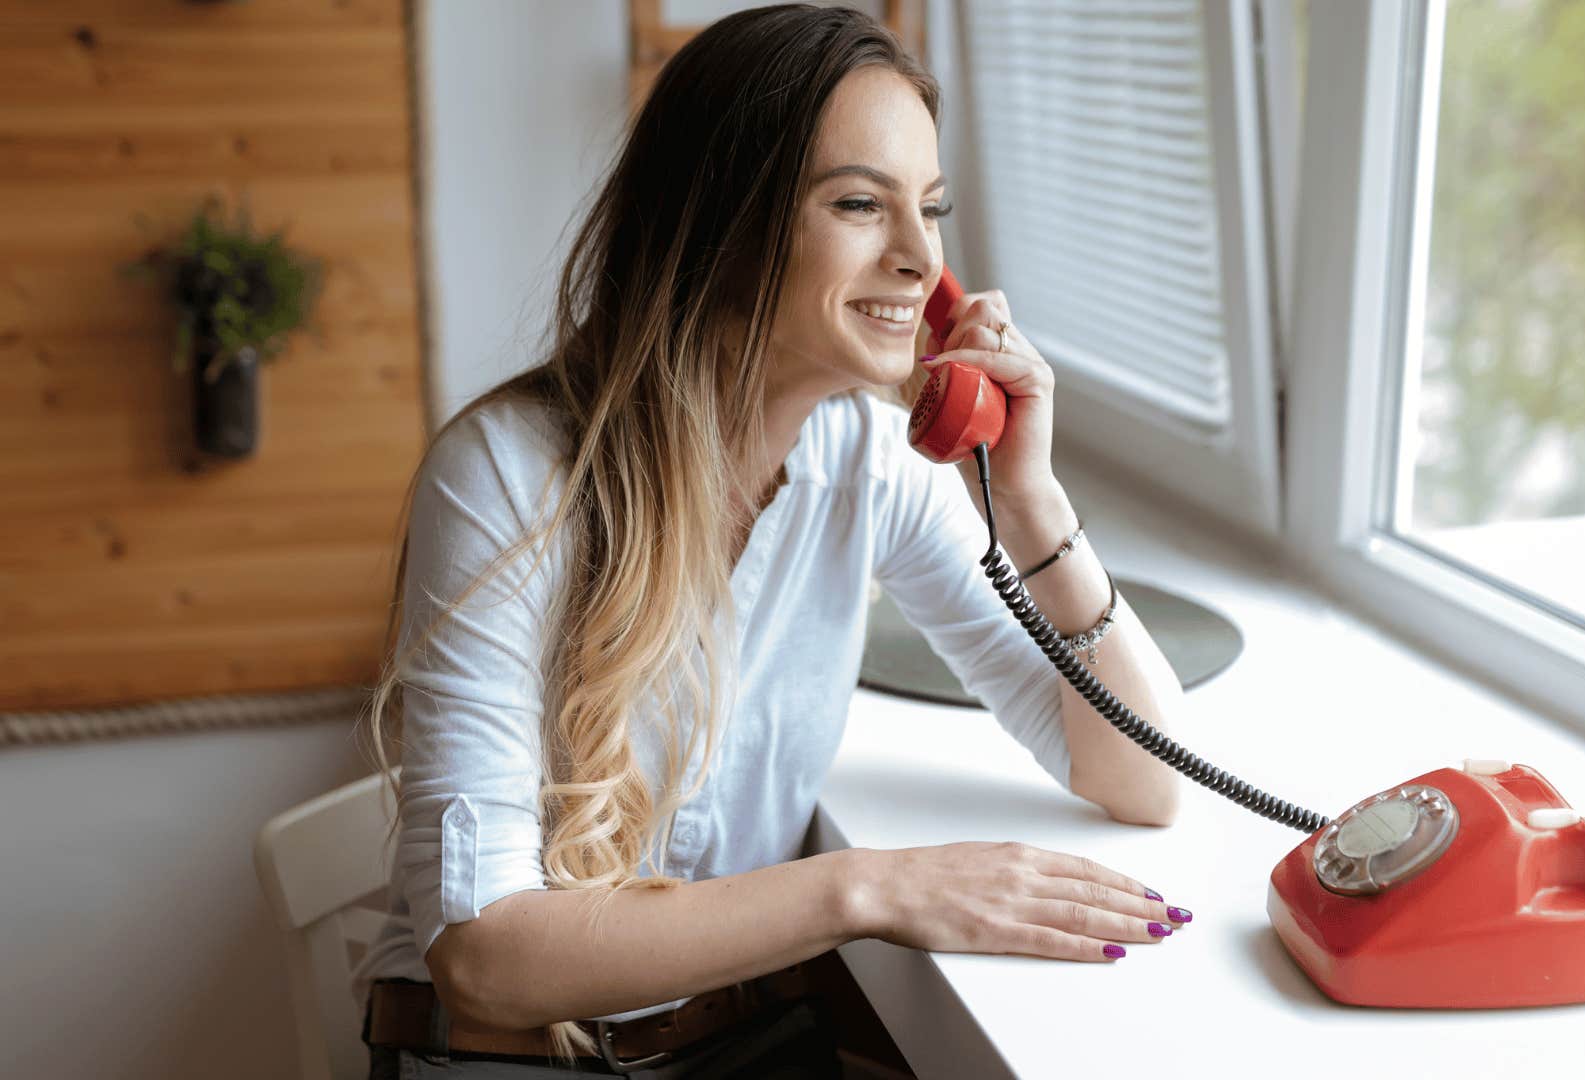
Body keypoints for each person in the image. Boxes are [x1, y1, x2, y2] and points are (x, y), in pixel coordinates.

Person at [350, 5, 1191, 1076]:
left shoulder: (874, 466)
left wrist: (1029, 502)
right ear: (724, 223)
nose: (919, 257)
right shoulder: (506, 478)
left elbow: (1142, 778)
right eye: (859, 204)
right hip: (506, 1060)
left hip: (735, 1044)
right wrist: (872, 889)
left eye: (929, 211)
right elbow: (487, 959)